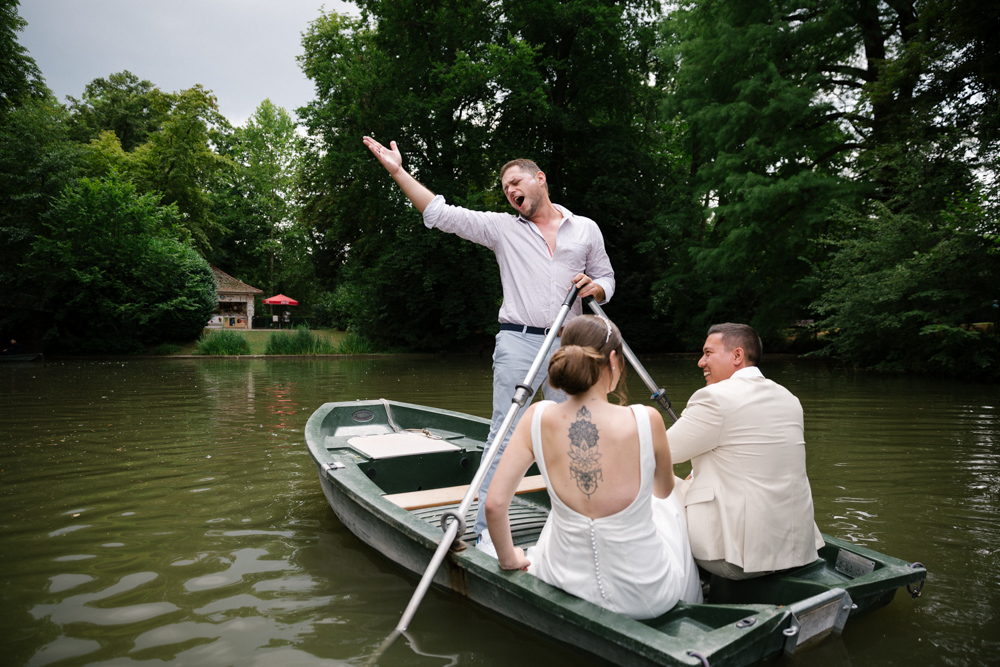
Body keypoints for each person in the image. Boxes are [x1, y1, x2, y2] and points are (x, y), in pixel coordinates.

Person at [363, 137, 615, 542]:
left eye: (516, 182)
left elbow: (606, 276)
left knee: (576, 432)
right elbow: (439, 212)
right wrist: (397, 171)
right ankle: (483, 532)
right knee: (503, 434)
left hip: (571, 345)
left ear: (540, 179)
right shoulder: (501, 229)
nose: (511, 191)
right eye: (505, 189)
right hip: (518, 342)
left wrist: (597, 290)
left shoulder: (585, 228)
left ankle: (578, 529)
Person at [485, 315, 703, 619]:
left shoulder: (536, 416)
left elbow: (494, 505)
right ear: (613, 360)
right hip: (646, 598)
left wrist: (509, 559)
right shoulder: (646, 419)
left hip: (562, 582)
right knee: (667, 507)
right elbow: (663, 491)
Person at [666, 323, 824, 580]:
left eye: (708, 353)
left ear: (737, 356)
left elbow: (658, 453)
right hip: (798, 552)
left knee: (644, 473)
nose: (700, 362)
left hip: (735, 561)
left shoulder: (714, 397)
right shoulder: (789, 398)